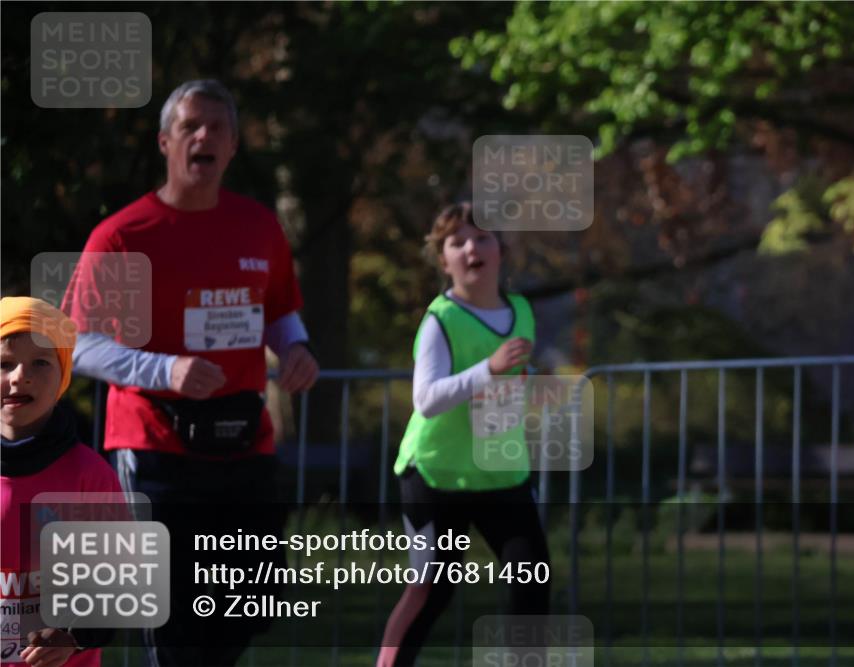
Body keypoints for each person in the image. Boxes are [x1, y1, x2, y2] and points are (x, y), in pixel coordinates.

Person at [61, 80, 319, 667]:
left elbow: (279, 311)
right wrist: (164, 369)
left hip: (246, 444)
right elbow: (78, 346)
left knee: (246, 607)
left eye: (218, 128)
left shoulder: (258, 227)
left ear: (232, 146)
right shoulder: (124, 237)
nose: (204, 136)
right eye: (190, 127)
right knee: (175, 622)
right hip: (157, 446)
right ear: (164, 142)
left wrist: (298, 349)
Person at [377, 203, 550, 667]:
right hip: (435, 474)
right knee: (432, 588)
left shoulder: (520, 310)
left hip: (501, 473)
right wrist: (487, 370)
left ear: (500, 250)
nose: (472, 247)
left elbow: (511, 386)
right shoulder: (440, 320)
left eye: (483, 237)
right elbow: (427, 400)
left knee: (531, 580)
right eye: (458, 241)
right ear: (444, 260)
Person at [0, 297, 122, 667]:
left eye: (40, 362)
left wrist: (74, 638)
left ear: (63, 377)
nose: (21, 375)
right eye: (5, 363)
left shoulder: (90, 476)